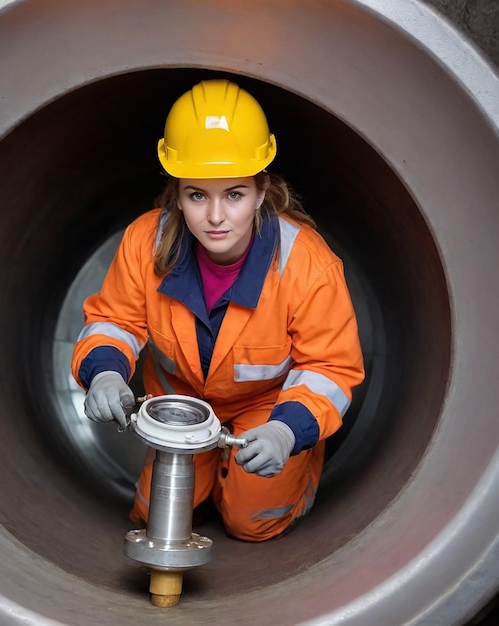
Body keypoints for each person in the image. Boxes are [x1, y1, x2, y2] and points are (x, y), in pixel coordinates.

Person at [71, 79, 364, 542]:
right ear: (178, 191)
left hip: (267, 409)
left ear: (261, 189)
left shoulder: (306, 264)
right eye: (197, 195)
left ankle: (300, 470)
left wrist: (287, 434)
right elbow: (115, 320)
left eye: (233, 194)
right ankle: (207, 477)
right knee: (156, 519)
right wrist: (105, 372)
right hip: (180, 400)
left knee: (252, 524)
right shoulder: (145, 243)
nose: (215, 217)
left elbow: (330, 366)